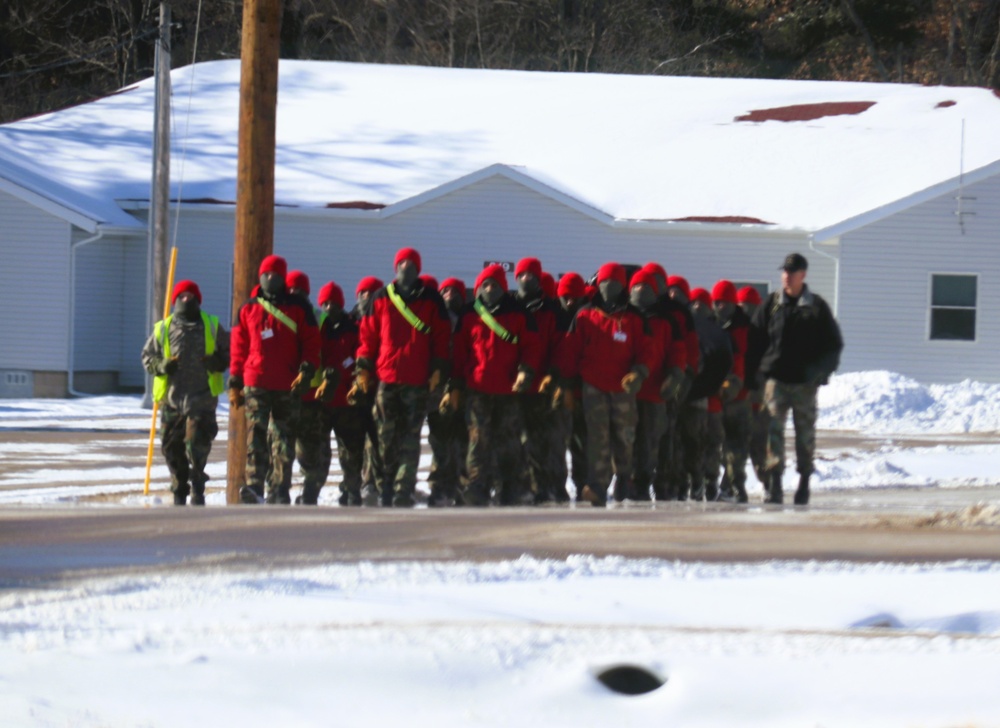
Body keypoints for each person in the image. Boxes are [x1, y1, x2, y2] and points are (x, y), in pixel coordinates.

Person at [352, 247, 450, 507]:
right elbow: (368, 337)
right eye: (402, 263)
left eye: (411, 263)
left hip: (417, 381)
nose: (406, 267)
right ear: (395, 267)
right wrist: (363, 368)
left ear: (418, 268)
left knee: (409, 439)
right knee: (384, 438)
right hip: (387, 379)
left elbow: (441, 337)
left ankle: (402, 490)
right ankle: (383, 488)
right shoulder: (381, 298)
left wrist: (438, 368)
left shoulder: (431, 300)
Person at [556, 262, 653, 506]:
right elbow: (570, 351)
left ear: (623, 285)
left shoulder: (634, 318)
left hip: (623, 388)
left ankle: (623, 478)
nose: (610, 286)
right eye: (605, 282)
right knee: (597, 439)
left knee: (624, 437)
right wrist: (567, 385)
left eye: (615, 282)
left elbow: (646, 351)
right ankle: (597, 485)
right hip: (593, 387)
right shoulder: (585, 314)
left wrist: (639, 373)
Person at [750, 253, 843, 505]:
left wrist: (821, 374)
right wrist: (755, 376)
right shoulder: (771, 305)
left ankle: (803, 483)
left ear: (803, 275)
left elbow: (833, 344)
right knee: (772, 433)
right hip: (776, 382)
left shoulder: (816, 307)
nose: (786, 277)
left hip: (804, 384)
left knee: (805, 435)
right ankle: (775, 485)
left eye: (791, 272)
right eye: (784, 272)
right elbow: (755, 340)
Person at [229, 255, 321, 504]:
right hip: (255, 381)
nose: (270, 278)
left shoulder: (298, 308)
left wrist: (306, 370)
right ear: (260, 276)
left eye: (275, 274)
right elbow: (239, 346)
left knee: (283, 439)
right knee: (255, 435)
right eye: (266, 274)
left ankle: (279, 489)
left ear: (283, 278)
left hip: (287, 383)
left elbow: (311, 342)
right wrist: (235, 381)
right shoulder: (247, 308)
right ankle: (254, 486)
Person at [448, 263, 541, 505]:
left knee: (507, 442)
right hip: (477, 389)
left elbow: (531, 347)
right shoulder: (469, 314)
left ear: (503, 287)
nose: (490, 289)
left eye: (495, 285)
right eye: (486, 284)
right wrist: (455, 386)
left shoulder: (519, 313)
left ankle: (507, 488)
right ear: (478, 287)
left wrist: (525, 372)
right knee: (478, 441)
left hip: (508, 390)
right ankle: (477, 487)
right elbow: (459, 353)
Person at [141, 280, 229, 505]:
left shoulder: (211, 325)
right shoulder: (163, 328)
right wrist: (162, 366)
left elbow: (230, 352)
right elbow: (148, 356)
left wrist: (217, 362)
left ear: (198, 299)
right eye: (182, 295)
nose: (186, 299)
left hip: (202, 400)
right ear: (175, 300)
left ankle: (198, 484)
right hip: (172, 400)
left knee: (196, 443)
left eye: (190, 295)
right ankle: (179, 487)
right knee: (171, 447)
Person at [308, 280, 366, 506]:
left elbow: (359, 353)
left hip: (346, 400)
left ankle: (352, 492)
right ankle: (311, 492)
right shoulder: (318, 326)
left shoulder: (353, 327)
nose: (329, 307)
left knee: (350, 453)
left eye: (333, 302)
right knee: (319, 453)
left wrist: (348, 372)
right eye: (325, 303)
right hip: (321, 401)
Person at [512, 257, 563, 504]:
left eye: (531, 275)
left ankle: (542, 487)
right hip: (512, 385)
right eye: (522, 274)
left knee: (539, 441)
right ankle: (517, 486)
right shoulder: (510, 305)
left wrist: (552, 374)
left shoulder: (552, 310)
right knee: (513, 440)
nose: (526, 279)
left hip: (541, 386)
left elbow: (559, 346)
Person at [628, 268, 678, 501]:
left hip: (655, 391)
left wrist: (675, 376)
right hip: (625, 391)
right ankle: (625, 481)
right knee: (626, 440)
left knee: (650, 442)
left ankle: (644, 483)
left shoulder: (667, 320)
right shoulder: (624, 316)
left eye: (647, 286)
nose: (642, 290)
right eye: (637, 286)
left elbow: (677, 351)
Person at [427, 277, 469, 507]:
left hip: (461, 388)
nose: (449, 295)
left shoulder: (468, 319)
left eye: (454, 291)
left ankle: (460, 488)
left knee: (462, 441)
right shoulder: (436, 320)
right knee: (440, 443)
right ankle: (441, 488)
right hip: (437, 391)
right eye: (445, 290)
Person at [712, 279, 752, 503]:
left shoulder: (746, 327)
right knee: (719, 446)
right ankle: (724, 486)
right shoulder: (711, 324)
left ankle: (734, 486)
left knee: (737, 445)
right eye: (716, 302)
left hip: (740, 395)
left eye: (724, 303)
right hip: (716, 397)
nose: (720, 307)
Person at [351, 275, 384, 505]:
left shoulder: (385, 320)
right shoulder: (348, 321)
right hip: (352, 391)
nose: (366, 298)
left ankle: (371, 482)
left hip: (379, 388)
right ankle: (352, 484)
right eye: (362, 293)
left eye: (370, 293)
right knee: (353, 441)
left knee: (376, 440)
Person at [737, 285, 769, 488]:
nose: (746, 310)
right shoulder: (736, 329)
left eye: (749, 306)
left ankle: (768, 483)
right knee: (741, 445)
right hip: (742, 395)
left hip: (756, 396)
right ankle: (734, 485)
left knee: (755, 444)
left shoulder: (763, 331)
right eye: (743, 306)